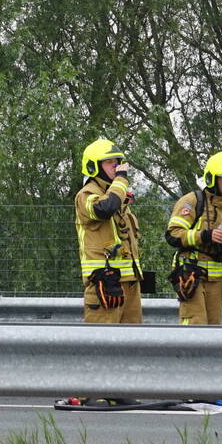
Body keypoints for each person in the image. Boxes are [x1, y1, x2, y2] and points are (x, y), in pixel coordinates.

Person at [165, 152, 222, 325]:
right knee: (195, 323)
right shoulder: (192, 201)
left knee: (214, 327)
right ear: (212, 178)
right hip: (191, 275)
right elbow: (173, 234)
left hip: (216, 279)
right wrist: (204, 235)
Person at [74, 139, 143, 325]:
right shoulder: (86, 195)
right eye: (109, 162)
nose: (116, 166)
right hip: (104, 283)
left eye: (117, 161)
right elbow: (104, 209)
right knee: (102, 345)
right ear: (93, 167)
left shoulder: (118, 196)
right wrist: (121, 180)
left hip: (129, 282)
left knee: (134, 346)